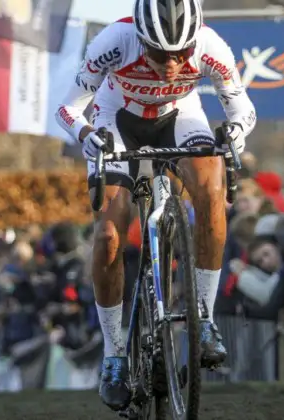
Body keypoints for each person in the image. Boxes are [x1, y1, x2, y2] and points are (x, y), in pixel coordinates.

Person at [55, 0, 257, 411]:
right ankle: (114, 356)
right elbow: (67, 107)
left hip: (180, 117)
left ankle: (205, 318)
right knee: (110, 234)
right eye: (159, 54)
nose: (170, 64)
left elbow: (242, 108)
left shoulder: (210, 46)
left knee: (212, 195)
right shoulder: (114, 40)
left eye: (180, 55)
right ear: (140, 39)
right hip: (117, 120)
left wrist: (236, 131)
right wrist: (86, 134)